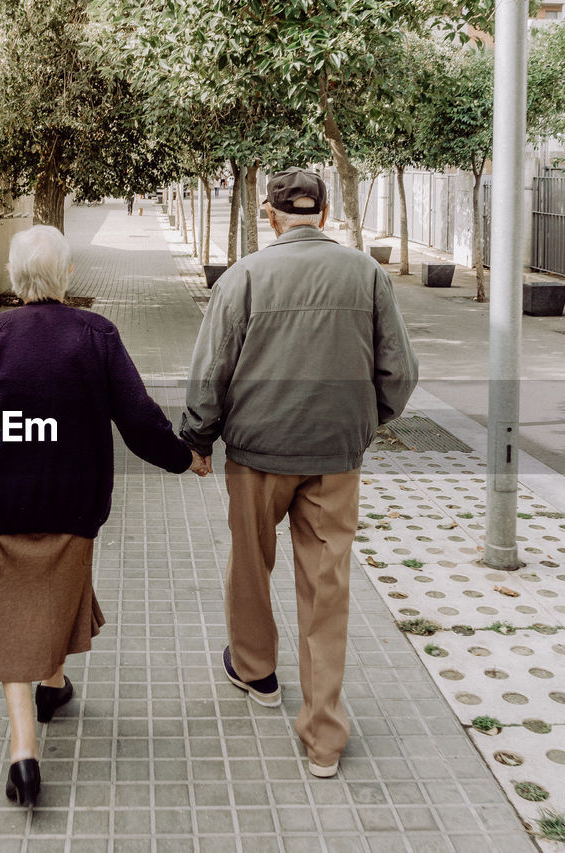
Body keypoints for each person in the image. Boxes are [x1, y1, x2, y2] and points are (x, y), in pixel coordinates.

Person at [0, 224, 208, 807]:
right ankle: (43, 705)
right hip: (73, 505)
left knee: (13, 614)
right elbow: (138, 417)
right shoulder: (95, 334)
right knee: (59, 592)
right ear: (65, 275)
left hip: (1, 506)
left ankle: (27, 745)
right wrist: (183, 457)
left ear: (16, 279)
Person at [179, 168, 418, 779]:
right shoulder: (366, 274)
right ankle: (323, 739)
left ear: (270, 214)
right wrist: (365, 423)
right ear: (326, 210)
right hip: (335, 459)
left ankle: (257, 673)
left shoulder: (244, 277)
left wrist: (198, 438)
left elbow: (210, 373)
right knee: (326, 589)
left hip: (258, 455)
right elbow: (400, 372)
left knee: (250, 565)